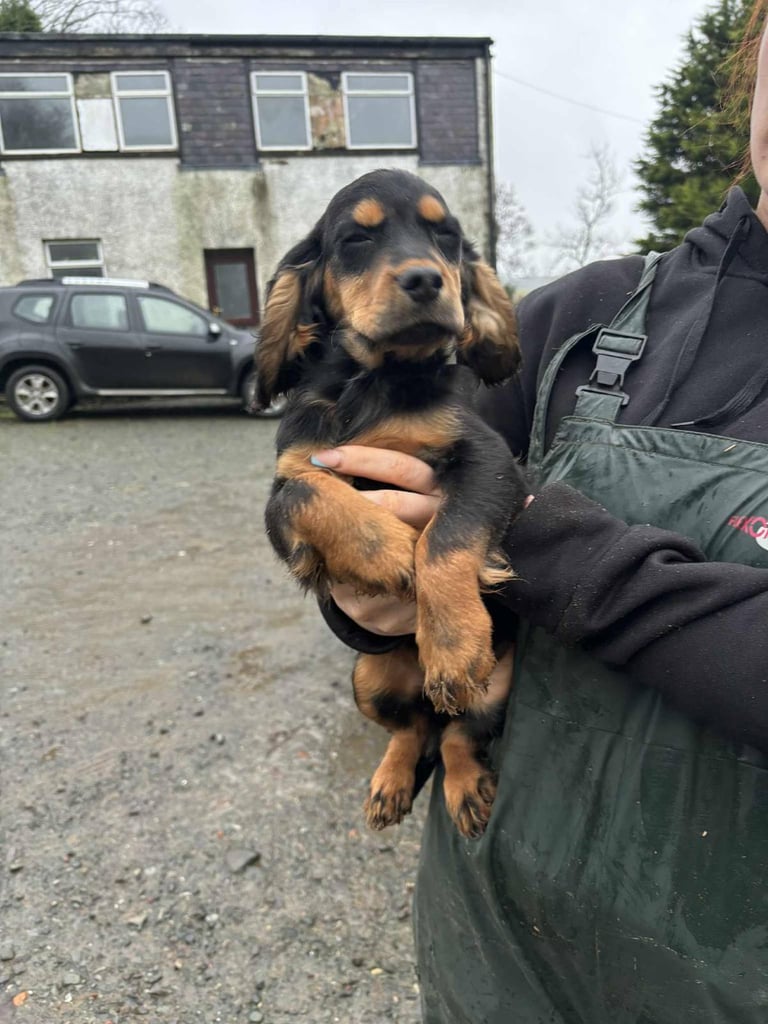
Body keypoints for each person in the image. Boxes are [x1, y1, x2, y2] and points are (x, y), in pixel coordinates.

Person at [309, 7, 768, 1021]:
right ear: (756, 66)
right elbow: (393, 508)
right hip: (500, 960)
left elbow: (494, 519)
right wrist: (363, 594)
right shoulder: (577, 318)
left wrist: (531, 535)